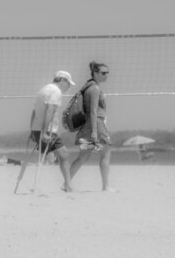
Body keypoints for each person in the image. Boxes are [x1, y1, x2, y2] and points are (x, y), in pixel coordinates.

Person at [69, 61, 113, 191]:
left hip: (87, 126)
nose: (106, 75)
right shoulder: (94, 89)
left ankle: (66, 182)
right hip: (96, 125)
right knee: (105, 154)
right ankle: (106, 187)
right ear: (95, 73)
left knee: (83, 157)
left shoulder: (87, 87)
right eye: (104, 73)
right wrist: (94, 132)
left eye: (107, 73)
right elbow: (93, 111)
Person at [29, 70, 75, 192]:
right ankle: (68, 186)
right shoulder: (56, 92)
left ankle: (67, 185)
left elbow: (34, 111)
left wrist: (32, 129)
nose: (69, 87)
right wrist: (44, 132)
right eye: (68, 83)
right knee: (64, 155)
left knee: (64, 154)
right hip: (48, 130)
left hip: (38, 128)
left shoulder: (43, 90)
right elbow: (49, 110)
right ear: (62, 80)